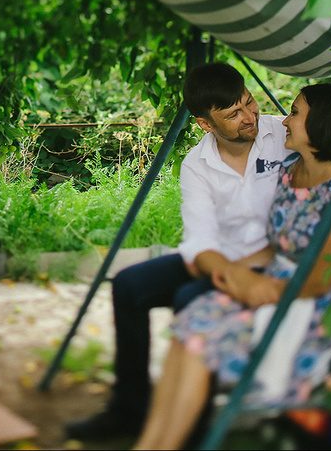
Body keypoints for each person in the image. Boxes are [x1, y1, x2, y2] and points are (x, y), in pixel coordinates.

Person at [65, 62, 292, 440]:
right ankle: (130, 409)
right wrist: (227, 271)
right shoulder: (196, 165)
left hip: (270, 260)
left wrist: (242, 270)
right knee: (128, 285)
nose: (249, 117)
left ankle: (192, 425)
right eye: (233, 114)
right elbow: (199, 239)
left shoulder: (282, 135)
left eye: (249, 103)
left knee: (190, 299)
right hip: (218, 259)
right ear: (206, 124)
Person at [133, 83, 331, 450]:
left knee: (199, 332)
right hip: (261, 269)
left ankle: (171, 443)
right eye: (234, 113)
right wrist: (236, 273)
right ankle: (149, 442)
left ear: (322, 124)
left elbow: (322, 276)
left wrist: (265, 289)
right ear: (206, 124)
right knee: (182, 321)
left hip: (311, 300)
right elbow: (273, 246)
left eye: (294, 113)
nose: (282, 121)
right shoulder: (289, 168)